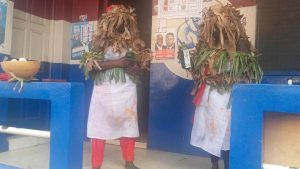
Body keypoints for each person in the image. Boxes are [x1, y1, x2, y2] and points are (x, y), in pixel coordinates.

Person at [86, 5, 143, 169]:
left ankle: (129, 161)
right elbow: (90, 65)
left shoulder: (133, 42)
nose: (120, 25)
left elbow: (139, 65)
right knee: (99, 125)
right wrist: (116, 63)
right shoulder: (99, 42)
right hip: (105, 89)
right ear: (108, 21)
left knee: (128, 123)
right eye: (117, 21)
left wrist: (136, 69)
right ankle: (96, 164)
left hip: (127, 88)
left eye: (124, 21)